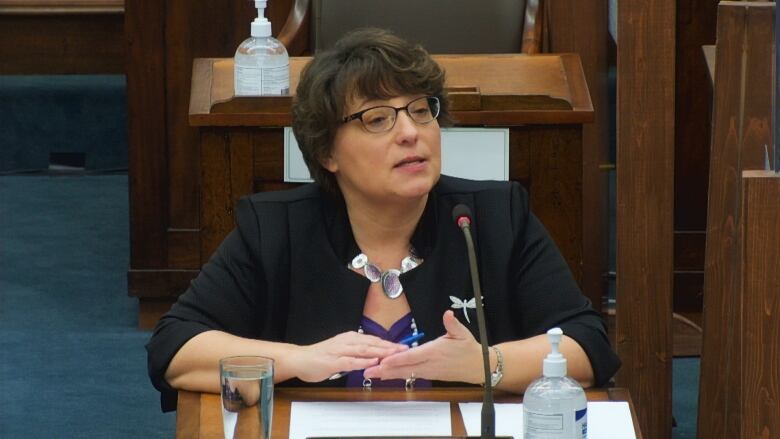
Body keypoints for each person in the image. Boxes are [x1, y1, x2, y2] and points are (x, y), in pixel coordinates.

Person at [146, 27, 620, 411]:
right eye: (378, 119)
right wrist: (298, 360)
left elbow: (587, 347)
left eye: (420, 110)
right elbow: (176, 350)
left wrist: (485, 363)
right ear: (327, 150)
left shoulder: (493, 217)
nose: (411, 133)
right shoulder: (276, 231)